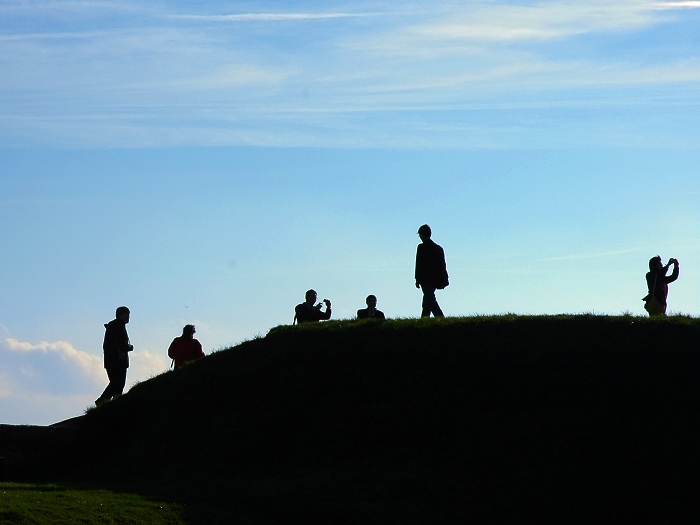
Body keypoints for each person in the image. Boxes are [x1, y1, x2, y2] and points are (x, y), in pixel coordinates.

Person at [95, 306, 133, 406]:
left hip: (110, 361)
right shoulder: (119, 327)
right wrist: (129, 347)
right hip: (119, 361)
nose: (128, 317)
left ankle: (111, 404)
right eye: (127, 315)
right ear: (121, 315)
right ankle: (103, 401)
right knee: (118, 384)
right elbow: (121, 345)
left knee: (116, 384)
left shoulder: (112, 327)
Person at [415, 224, 449, 318]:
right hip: (435, 279)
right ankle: (424, 318)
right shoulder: (438, 248)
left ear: (422, 234)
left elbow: (419, 264)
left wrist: (417, 279)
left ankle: (440, 317)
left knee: (430, 300)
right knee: (427, 300)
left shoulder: (421, 248)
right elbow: (443, 266)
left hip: (425, 279)